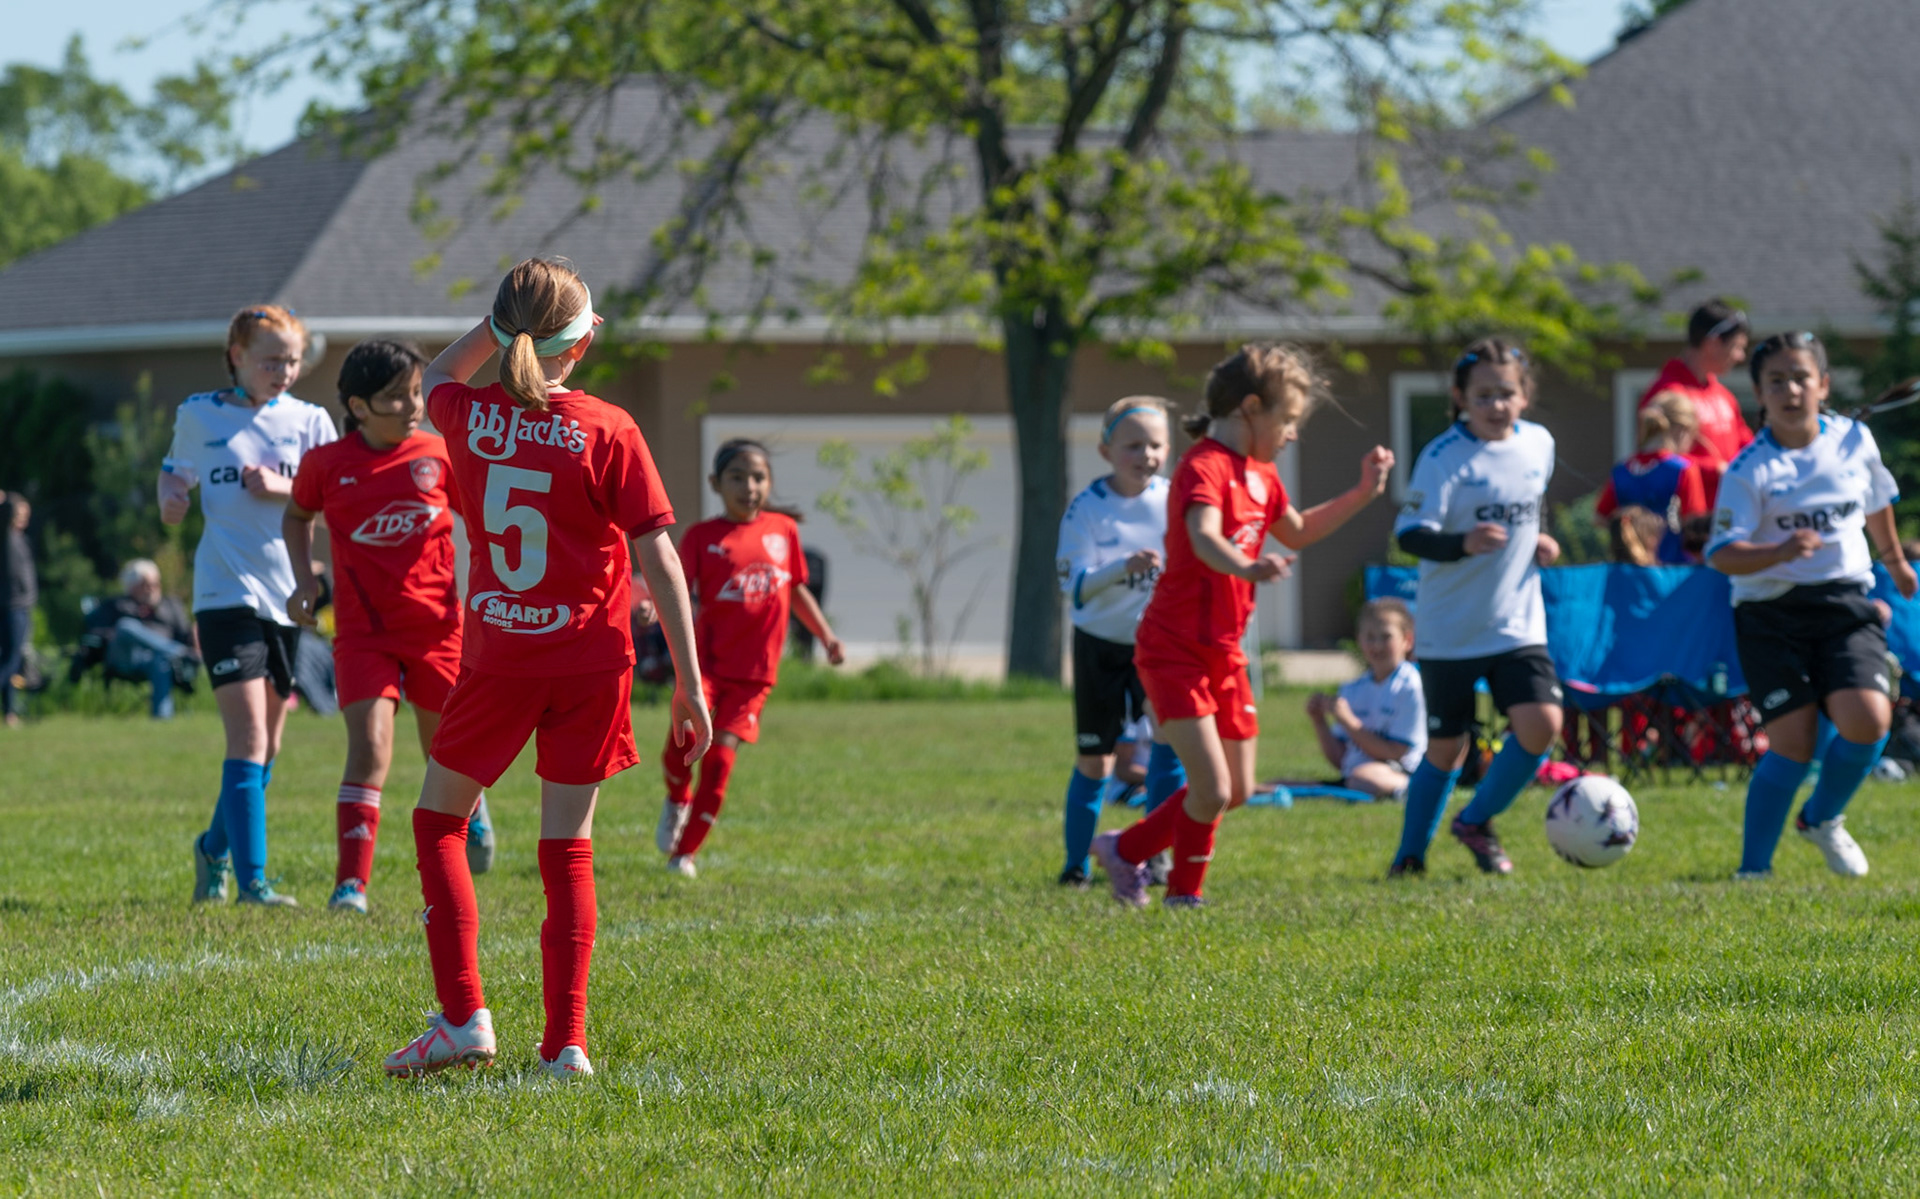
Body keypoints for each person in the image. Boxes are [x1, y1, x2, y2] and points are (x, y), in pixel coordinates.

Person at [382, 257, 711, 1082]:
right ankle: (566, 1043)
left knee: (439, 824)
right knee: (568, 849)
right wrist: (694, 684)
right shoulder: (611, 427)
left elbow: (435, 376)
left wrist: (499, 331)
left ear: (505, 332)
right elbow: (660, 561)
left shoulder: (464, 415)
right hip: (593, 660)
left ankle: (463, 1017)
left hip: (501, 658)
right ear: (586, 340)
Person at [1090, 345, 1393, 909]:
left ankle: (1123, 849)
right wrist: (1246, 565)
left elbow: (1297, 531)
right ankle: (1184, 894)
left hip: (1225, 654)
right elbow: (1204, 535)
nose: (1293, 434)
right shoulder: (1203, 467)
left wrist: (1362, 493)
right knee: (1213, 788)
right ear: (1251, 408)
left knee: (1236, 791)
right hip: (1175, 649)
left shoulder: (1263, 474)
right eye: (1289, 420)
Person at [284, 339, 495, 916]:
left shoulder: (439, 454)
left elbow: (480, 520)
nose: (412, 406)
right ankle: (351, 884)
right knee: (370, 749)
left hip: (438, 631)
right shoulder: (326, 466)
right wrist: (305, 579)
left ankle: (473, 817)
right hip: (362, 635)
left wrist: (490, 584)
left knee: (443, 751)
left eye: (417, 393)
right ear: (357, 405)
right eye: (396, 398)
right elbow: (297, 514)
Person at [1705, 331, 1916, 879]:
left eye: (1801, 377)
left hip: (1845, 601)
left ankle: (1821, 818)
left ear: (1823, 385)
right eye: (1776, 380)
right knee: (1793, 742)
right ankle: (1753, 871)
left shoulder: (1853, 441)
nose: (1790, 389)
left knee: (1870, 720)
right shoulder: (1749, 469)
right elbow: (1723, 554)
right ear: (1759, 393)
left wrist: (1894, 564)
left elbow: (1877, 503)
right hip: (1770, 614)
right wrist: (1778, 550)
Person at [161, 305, 338, 906]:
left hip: (290, 597)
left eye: (291, 361)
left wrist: (287, 488)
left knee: (270, 746)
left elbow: (338, 495)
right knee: (249, 738)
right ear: (236, 356)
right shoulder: (199, 414)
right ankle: (253, 881)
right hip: (223, 593)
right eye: (270, 361)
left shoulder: (311, 421)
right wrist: (171, 499)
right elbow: (173, 475)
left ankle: (213, 849)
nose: (283, 371)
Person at [1389, 338, 1564, 878]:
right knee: (1447, 748)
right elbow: (1411, 536)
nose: (1496, 405)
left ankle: (1476, 819)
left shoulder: (1539, 443)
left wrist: (1537, 541)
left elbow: (1525, 511)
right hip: (1451, 631)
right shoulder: (1443, 457)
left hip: (1517, 622)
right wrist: (1461, 543)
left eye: (1506, 393)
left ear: (1525, 395)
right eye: (1483, 395)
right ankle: (1409, 857)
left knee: (1541, 725)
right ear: (1460, 398)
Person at [656, 438, 845, 878]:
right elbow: (676, 589)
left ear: (769, 483)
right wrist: (648, 606)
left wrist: (827, 636)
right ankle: (676, 798)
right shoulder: (702, 536)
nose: (749, 486)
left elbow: (795, 589)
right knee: (681, 745)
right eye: (737, 477)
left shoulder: (784, 531)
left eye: (758, 477)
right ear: (715, 484)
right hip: (703, 666)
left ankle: (683, 855)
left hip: (753, 677)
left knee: (720, 760)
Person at [1054, 396, 1178, 889]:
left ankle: (1160, 858)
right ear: (1106, 450)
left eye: (1155, 445)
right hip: (1100, 646)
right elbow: (1075, 586)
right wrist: (1121, 569)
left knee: (1169, 747)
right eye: (1132, 445)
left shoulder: (1176, 500)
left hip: (1159, 647)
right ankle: (1076, 867)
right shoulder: (1086, 510)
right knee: (1096, 759)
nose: (1145, 455)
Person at [1303, 598, 1426, 799]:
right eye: (1370, 637)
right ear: (1359, 640)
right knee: (1276, 785)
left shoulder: (1411, 686)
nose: (1377, 645)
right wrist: (1319, 722)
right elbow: (1341, 760)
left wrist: (1349, 721)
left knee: (1363, 778)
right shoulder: (1352, 689)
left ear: (1407, 640)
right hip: (1358, 774)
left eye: (1386, 637)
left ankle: (1412, 790)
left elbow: (1396, 752)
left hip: (1400, 771)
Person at [1637, 299, 1753, 499]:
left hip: (1729, 512)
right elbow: (1654, 459)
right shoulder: (1667, 394)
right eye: (1736, 347)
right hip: (1688, 520)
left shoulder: (1723, 395)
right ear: (1713, 344)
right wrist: (1715, 470)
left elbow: (1747, 446)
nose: (1740, 356)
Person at [68, 559, 198, 718]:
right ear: (131, 586)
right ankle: (178, 652)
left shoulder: (170, 606)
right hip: (124, 658)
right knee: (125, 626)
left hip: (156, 659)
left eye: (156, 584)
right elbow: (95, 632)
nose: (152, 589)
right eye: (146, 584)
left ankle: (162, 720)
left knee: (161, 661)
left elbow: (185, 633)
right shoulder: (115, 605)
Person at [1595, 391, 1711, 565]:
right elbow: (1695, 527)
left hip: (1629, 570)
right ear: (1682, 430)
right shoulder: (1683, 469)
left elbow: (1600, 518)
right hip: (1673, 572)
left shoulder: (1622, 469)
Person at [0, 492, 36, 728]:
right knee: (11, 660)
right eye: (18, 513)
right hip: (13, 606)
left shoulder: (18, 538)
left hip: (19, 605)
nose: (22, 518)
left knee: (9, 659)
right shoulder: (6, 538)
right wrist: (6, 501)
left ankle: (9, 713)